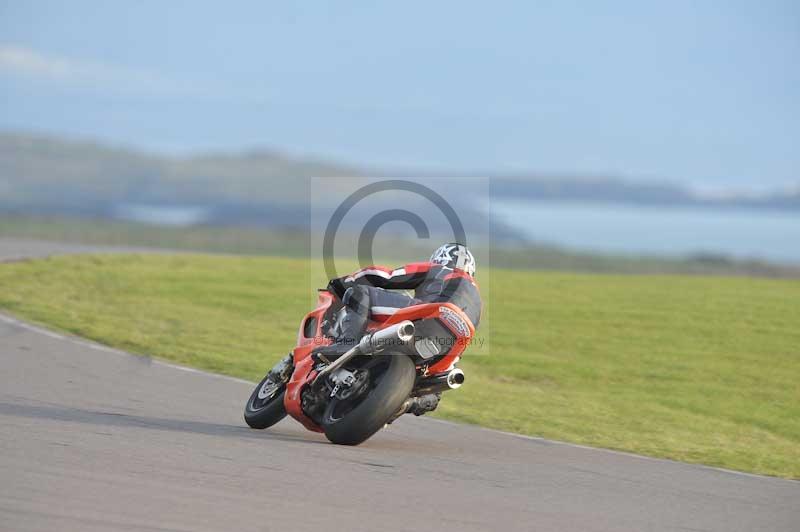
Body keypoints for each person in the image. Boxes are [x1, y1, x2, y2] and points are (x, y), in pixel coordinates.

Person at [317, 243, 482, 358]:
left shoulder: (441, 269)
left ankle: (346, 343)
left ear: (440, 258)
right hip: (449, 347)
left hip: (428, 315)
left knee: (360, 293)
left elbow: (385, 276)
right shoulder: (477, 298)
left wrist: (341, 284)